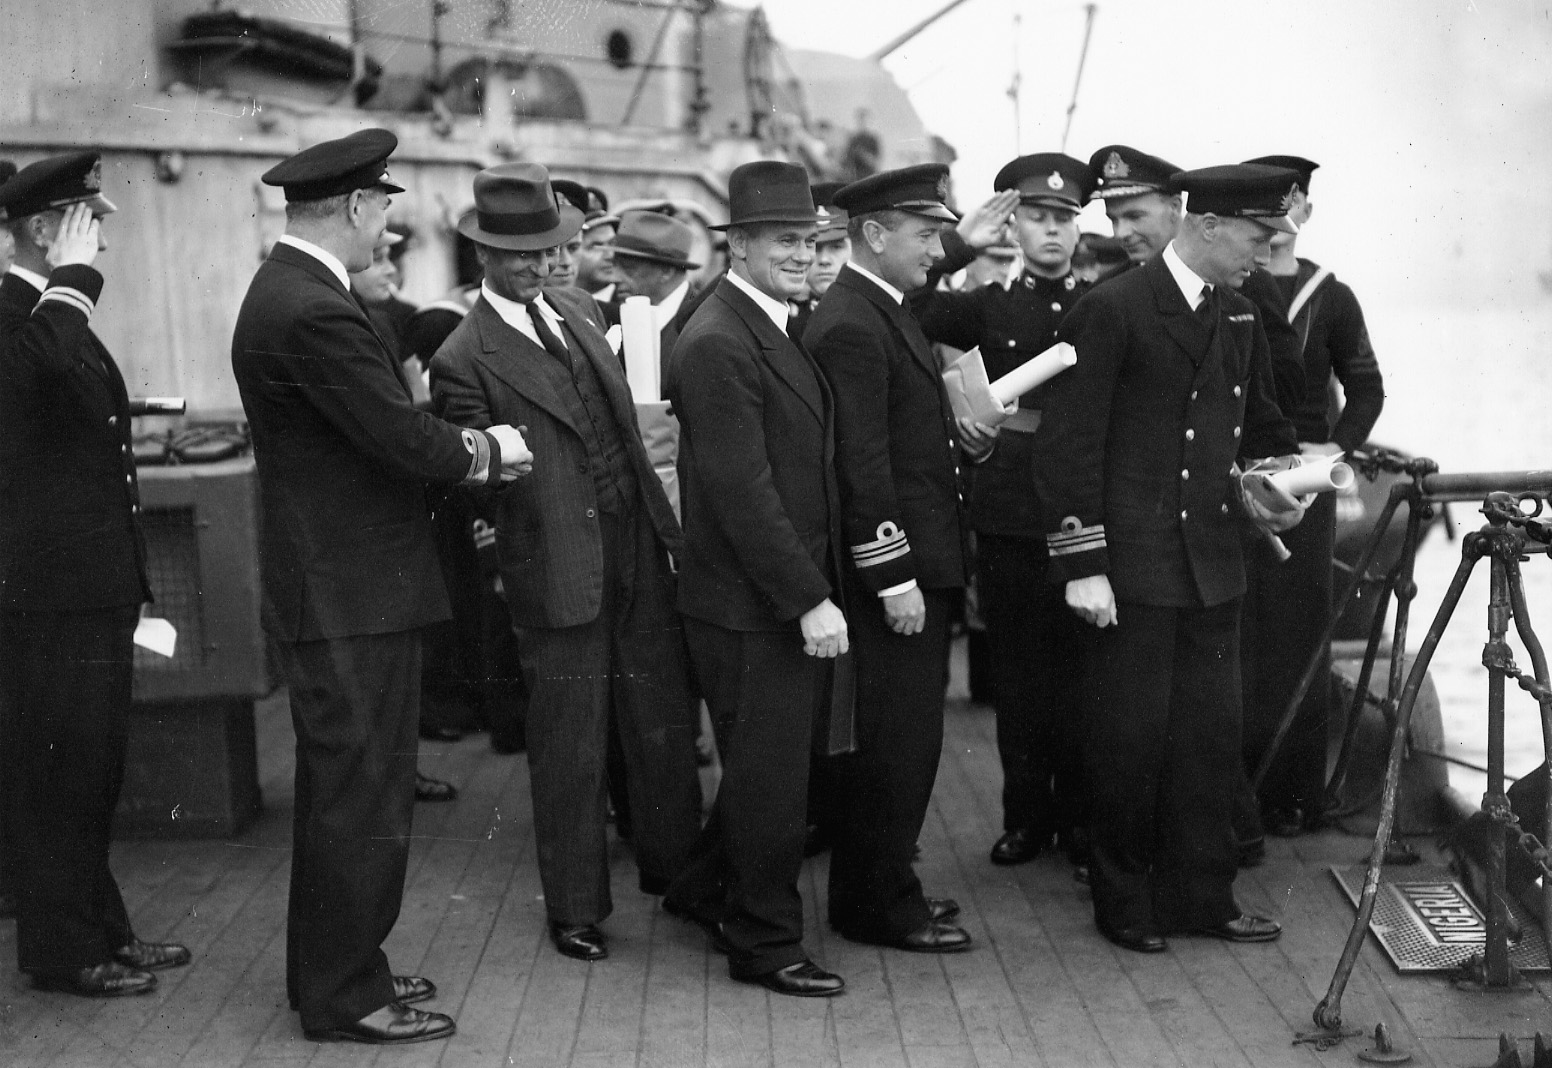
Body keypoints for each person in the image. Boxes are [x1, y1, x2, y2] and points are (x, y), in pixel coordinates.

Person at [231, 128, 531, 1045]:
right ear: (358, 207)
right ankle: (348, 996)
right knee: (362, 798)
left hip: (340, 588)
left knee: (343, 794)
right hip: (352, 594)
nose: (384, 231)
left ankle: (332, 973)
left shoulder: (286, 292)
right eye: (382, 211)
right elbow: (400, 435)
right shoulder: (317, 309)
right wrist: (487, 450)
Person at [429, 163, 702, 964]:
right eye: (520, 254)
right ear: (481, 254)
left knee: (662, 725)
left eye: (552, 247)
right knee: (571, 745)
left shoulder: (581, 308)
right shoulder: (461, 356)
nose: (540, 264)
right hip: (556, 566)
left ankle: (679, 877)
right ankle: (576, 909)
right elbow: (477, 483)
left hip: (636, 549)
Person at [1033, 163, 1308, 954]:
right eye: (1259, 237)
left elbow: (1263, 429)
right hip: (1132, 568)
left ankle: (1201, 896)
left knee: (1208, 741)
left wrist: (1285, 480)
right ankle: (1123, 902)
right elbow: (1068, 446)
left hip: (1213, 565)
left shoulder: (1243, 315)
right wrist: (1083, 564)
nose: (1269, 249)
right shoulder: (1112, 309)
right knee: (1129, 742)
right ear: (1210, 226)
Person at [0, 152, 193, 998]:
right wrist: (72, 279)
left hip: (87, 584)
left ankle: (99, 929)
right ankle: (61, 949)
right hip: (48, 591)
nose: (101, 240)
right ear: (45, 229)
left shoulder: (43, 311)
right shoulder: (19, 311)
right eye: (88, 222)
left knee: (90, 766)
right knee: (58, 770)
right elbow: (35, 374)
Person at [662, 160, 851, 998]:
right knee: (773, 782)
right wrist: (808, 598)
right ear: (737, 245)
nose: (804, 255)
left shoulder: (763, 322)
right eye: (784, 241)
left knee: (760, 770)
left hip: (759, 596)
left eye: (809, 240)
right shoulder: (719, 340)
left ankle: (703, 890)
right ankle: (765, 944)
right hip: (751, 605)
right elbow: (744, 495)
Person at [805, 163, 984, 954]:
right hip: (899, 574)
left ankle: (879, 890)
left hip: (921, 560)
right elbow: (862, 468)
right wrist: (895, 577)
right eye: (925, 234)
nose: (938, 248)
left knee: (900, 746)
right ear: (874, 236)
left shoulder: (878, 309)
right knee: (896, 750)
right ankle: (879, 904)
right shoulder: (853, 322)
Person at [911, 153, 1099, 874]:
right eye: (1038, 218)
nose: (1052, 232)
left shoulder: (1100, 301)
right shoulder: (986, 304)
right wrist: (957, 242)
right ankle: (1026, 818)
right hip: (1012, 510)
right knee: (1019, 678)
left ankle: (1081, 823)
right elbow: (910, 307)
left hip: (1080, 511)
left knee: (1084, 676)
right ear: (1013, 227)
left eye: (1064, 220)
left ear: (1079, 230)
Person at [1236, 154, 1385, 835]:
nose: (1279, 217)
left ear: (1305, 211)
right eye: (1266, 203)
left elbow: (1367, 388)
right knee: (1237, 634)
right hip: (1239, 474)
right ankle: (1237, 789)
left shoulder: (1332, 294)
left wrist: (1336, 448)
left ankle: (1292, 793)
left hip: (1305, 480)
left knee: (1300, 636)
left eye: (1290, 201)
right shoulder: (1228, 285)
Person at [608, 208, 700, 391]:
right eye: (614, 265)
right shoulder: (610, 314)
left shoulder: (702, 321)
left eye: (628, 267)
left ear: (666, 271)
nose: (614, 278)